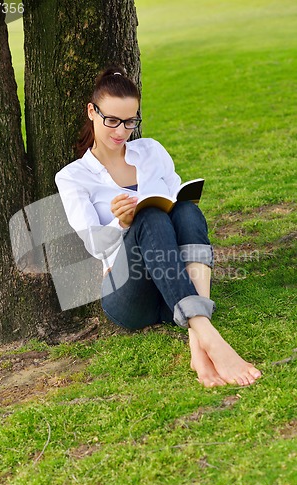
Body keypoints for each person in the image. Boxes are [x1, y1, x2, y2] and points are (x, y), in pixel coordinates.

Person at [55, 66, 261, 388]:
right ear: (92, 112)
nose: (121, 131)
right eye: (112, 120)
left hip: (172, 294)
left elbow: (180, 204)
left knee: (186, 212)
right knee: (148, 217)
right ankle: (208, 336)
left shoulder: (151, 151)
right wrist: (120, 223)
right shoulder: (73, 176)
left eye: (130, 121)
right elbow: (94, 245)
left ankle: (198, 330)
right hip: (128, 294)